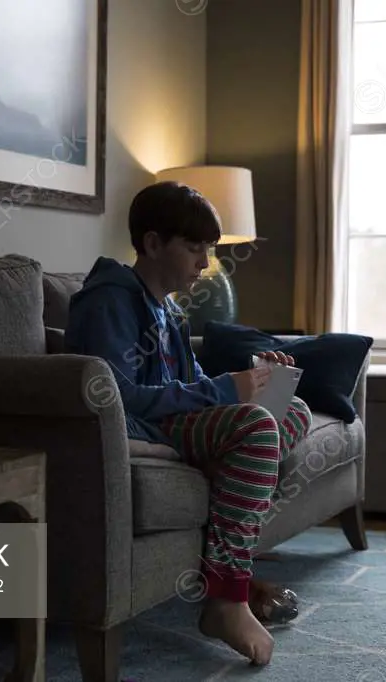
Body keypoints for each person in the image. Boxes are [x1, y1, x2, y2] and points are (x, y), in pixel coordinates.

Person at [64, 180, 313, 666]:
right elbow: (118, 395)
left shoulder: (171, 313)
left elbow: (192, 382)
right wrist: (229, 393)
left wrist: (257, 382)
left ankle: (231, 527)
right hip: (143, 428)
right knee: (257, 430)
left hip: (177, 423)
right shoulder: (110, 300)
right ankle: (225, 598)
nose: (205, 261)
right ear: (153, 244)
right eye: (194, 247)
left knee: (292, 411)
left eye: (209, 249)